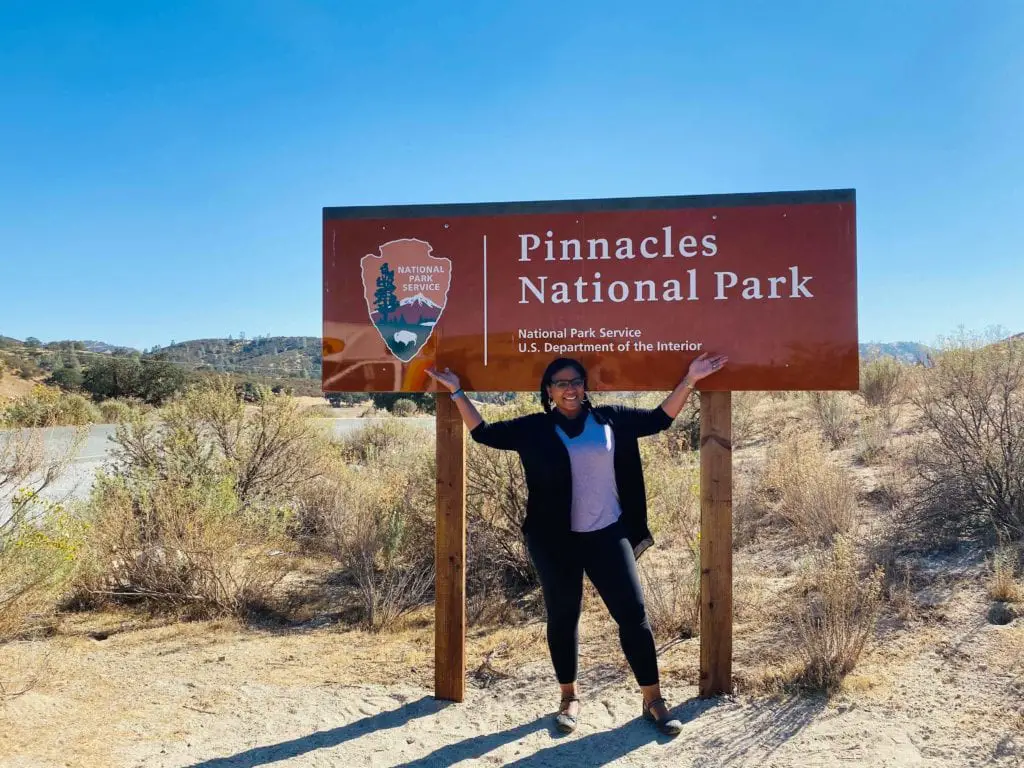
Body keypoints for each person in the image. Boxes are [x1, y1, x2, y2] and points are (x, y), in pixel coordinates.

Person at [425, 351, 728, 736]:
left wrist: (691, 378)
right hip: (555, 540)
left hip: (607, 534)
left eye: (575, 382)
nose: (570, 389)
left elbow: (659, 419)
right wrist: (456, 391)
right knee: (564, 617)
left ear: (585, 387)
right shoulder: (535, 428)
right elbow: (484, 433)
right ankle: (569, 696)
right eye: (561, 383)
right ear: (549, 391)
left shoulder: (610, 419)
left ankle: (653, 699)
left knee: (633, 616)